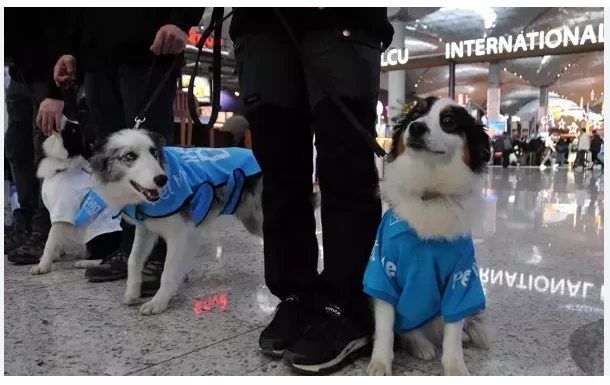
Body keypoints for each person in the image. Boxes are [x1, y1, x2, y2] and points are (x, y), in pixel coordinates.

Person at [230, 7, 393, 373]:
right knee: (278, 169)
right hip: (261, 22)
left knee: (346, 164)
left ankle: (348, 305)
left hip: (341, 19)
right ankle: (295, 294)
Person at [53, 8, 204, 296]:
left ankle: (162, 255)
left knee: (152, 155)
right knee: (117, 162)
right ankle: (130, 248)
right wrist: (70, 49)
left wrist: (181, 17)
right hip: (96, 55)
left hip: (148, 45)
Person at [4, 9, 65, 264]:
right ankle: (25, 222)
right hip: (20, 71)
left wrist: (57, 91)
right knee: (16, 149)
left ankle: (45, 231)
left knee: (45, 154)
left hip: (48, 70)